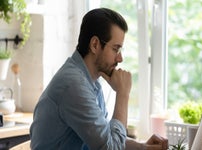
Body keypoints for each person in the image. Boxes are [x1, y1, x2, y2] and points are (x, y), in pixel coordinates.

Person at [30, 8, 168, 150]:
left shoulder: (91, 81)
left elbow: (106, 137)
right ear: (95, 45)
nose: (120, 58)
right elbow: (110, 148)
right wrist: (123, 94)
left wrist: (143, 147)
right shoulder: (73, 85)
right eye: (115, 49)